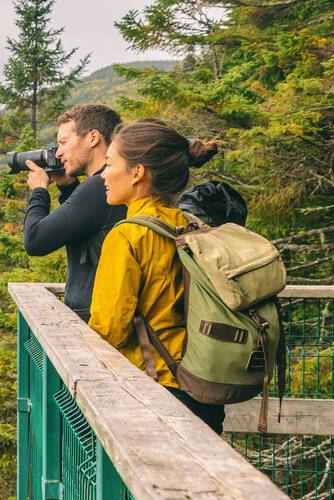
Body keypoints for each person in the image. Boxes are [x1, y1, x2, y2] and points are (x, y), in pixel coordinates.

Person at [87, 120, 225, 433]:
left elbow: (108, 328)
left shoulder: (127, 236)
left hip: (154, 388)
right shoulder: (191, 225)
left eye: (109, 164)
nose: (103, 175)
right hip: (201, 384)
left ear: (137, 173)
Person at [22, 104, 128, 321]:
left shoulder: (99, 186)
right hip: (105, 316)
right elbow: (88, 223)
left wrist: (39, 191)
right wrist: (68, 186)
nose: (58, 152)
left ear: (93, 138)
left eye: (63, 142)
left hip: (96, 324)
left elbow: (35, 240)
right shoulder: (113, 184)